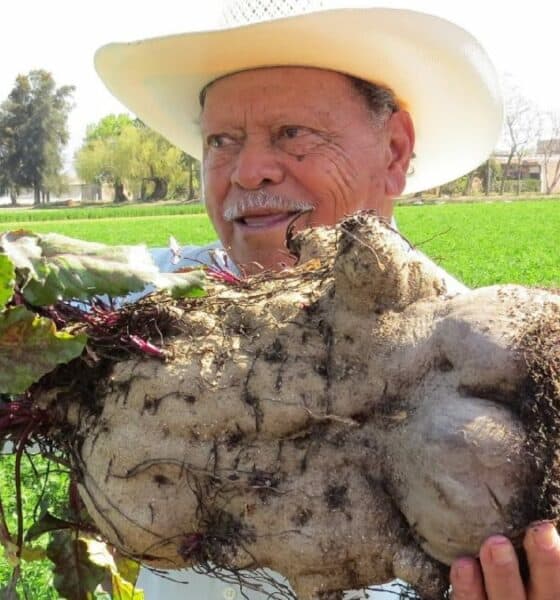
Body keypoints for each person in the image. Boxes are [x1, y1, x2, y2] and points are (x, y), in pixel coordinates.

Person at [95, 1, 560, 598]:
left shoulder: (496, 371)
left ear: (394, 150)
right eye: (222, 141)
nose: (249, 170)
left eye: (293, 134)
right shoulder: (145, 307)